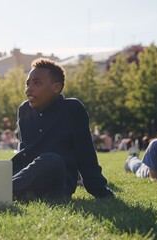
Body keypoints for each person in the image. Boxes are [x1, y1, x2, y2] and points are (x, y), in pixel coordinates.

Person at [11, 58, 114, 201]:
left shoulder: (72, 109)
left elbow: (86, 155)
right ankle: (7, 189)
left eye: (37, 83)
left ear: (56, 88)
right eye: (27, 83)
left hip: (57, 183)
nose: (29, 89)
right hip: (26, 179)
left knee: (52, 160)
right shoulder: (24, 110)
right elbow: (24, 152)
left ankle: (1, 189)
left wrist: (100, 191)